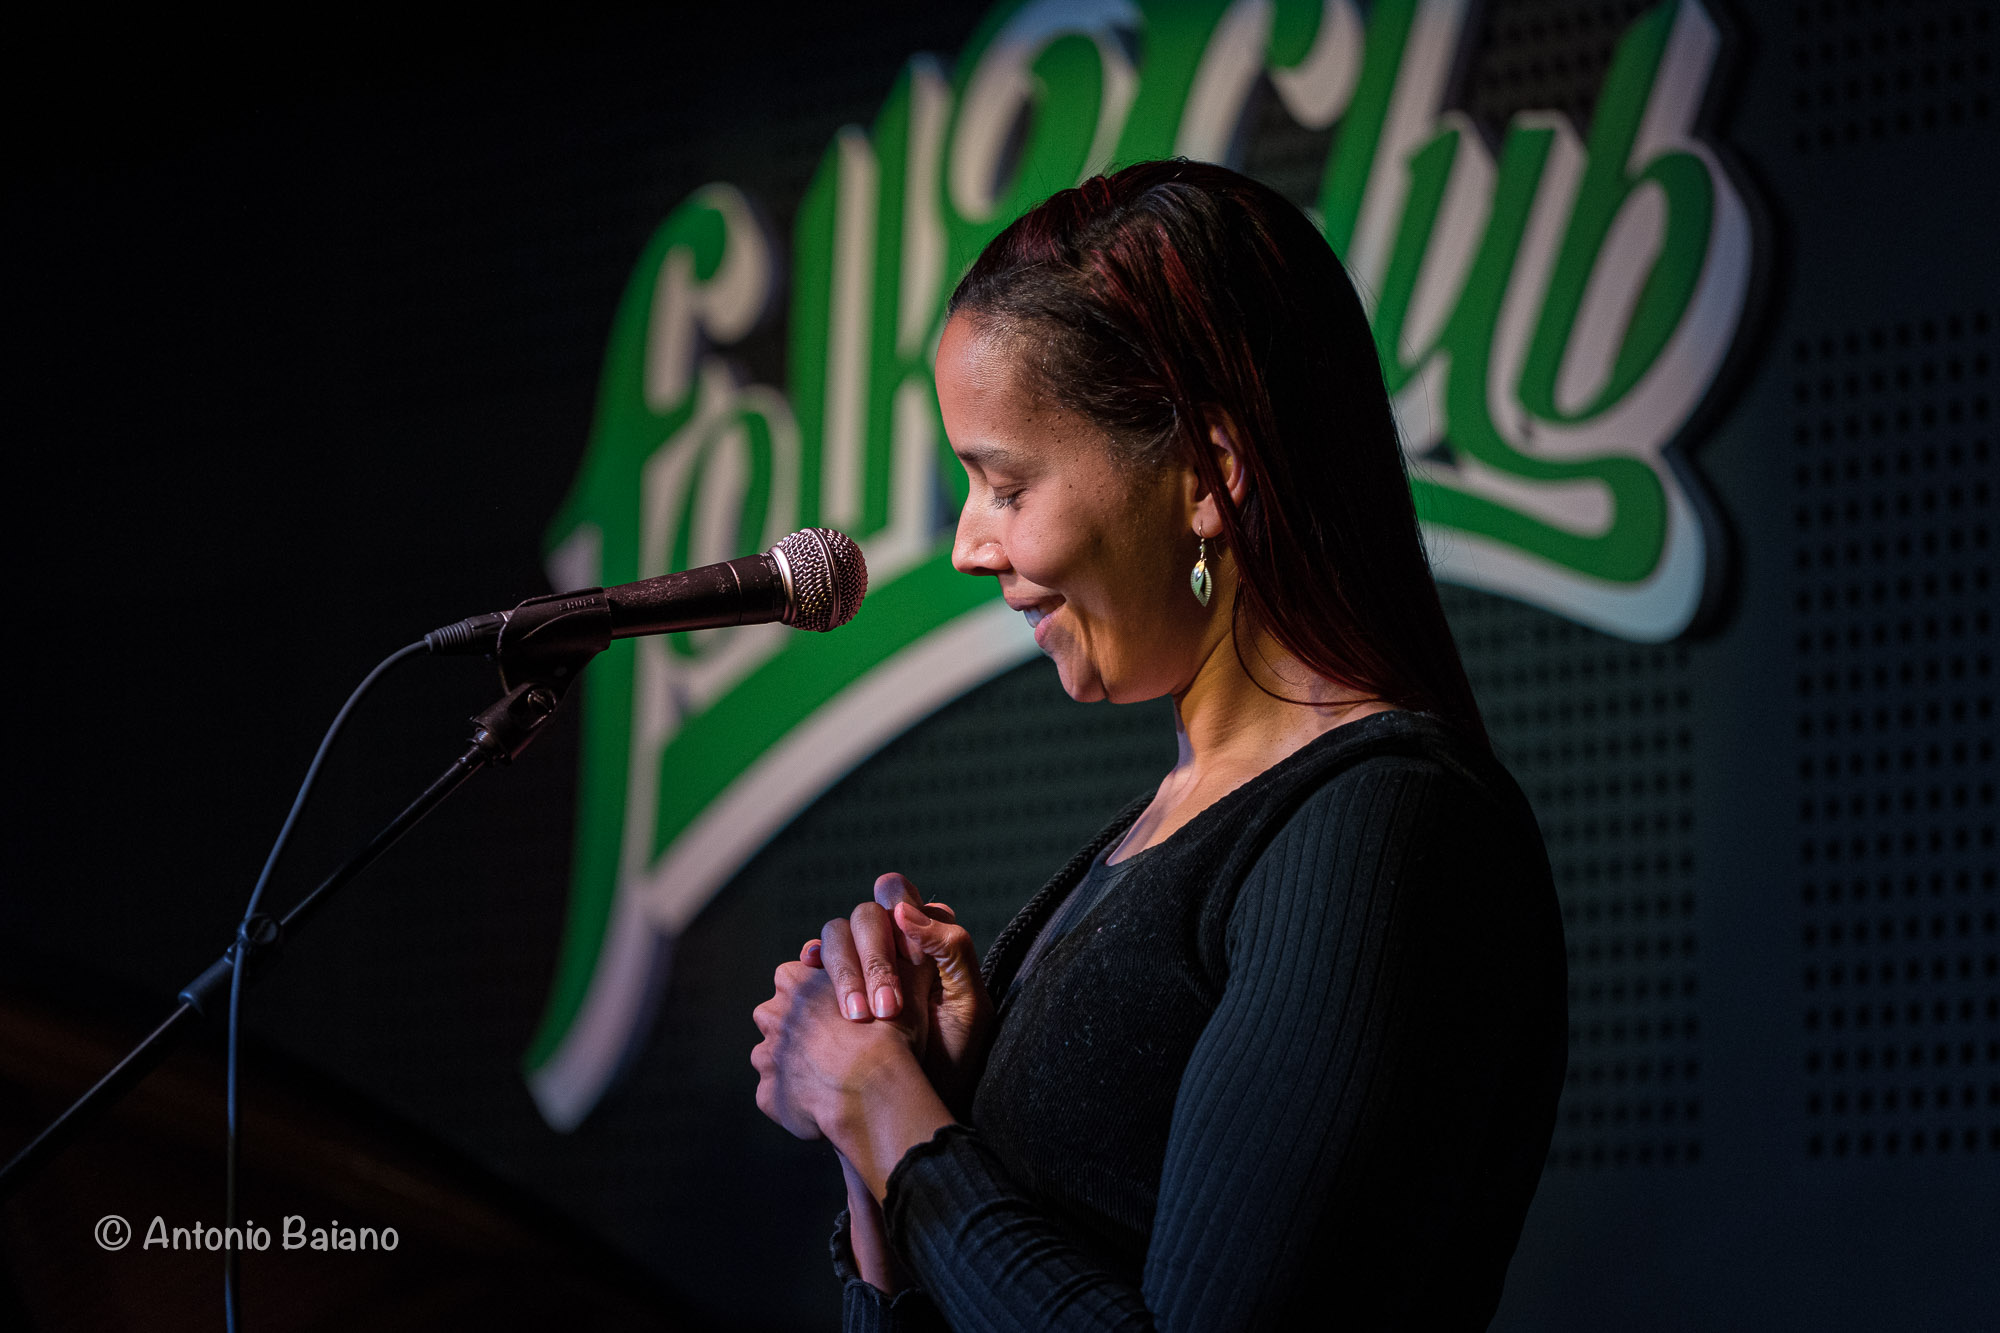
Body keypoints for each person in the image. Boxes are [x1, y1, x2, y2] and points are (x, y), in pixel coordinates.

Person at [750, 159, 1566, 1331]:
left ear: (1207, 478)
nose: (969, 545)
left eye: (1002, 481)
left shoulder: (1382, 825)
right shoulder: (1158, 835)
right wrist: (891, 1096)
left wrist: (890, 1116)